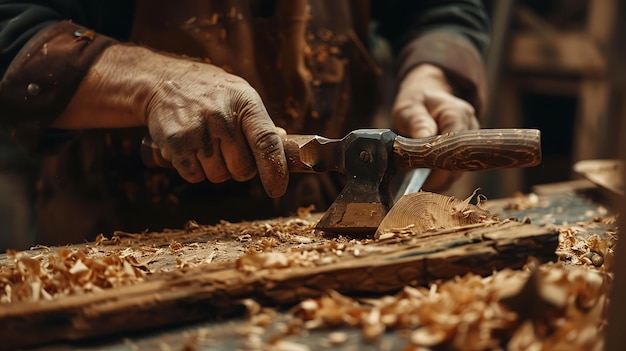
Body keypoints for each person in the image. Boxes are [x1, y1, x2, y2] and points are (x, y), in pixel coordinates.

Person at [0, 1, 489, 245]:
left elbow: (440, 9)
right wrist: (149, 82)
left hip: (322, 238)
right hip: (115, 241)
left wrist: (432, 73)